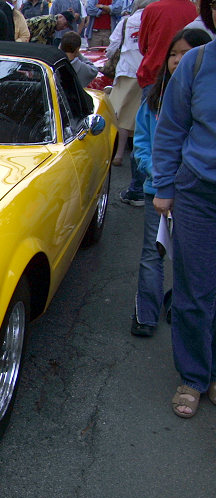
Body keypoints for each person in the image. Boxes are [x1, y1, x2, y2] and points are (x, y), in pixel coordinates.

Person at [151, 1, 216, 417]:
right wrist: (164, 186)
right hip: (198, 193)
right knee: (194, 288)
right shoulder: (196, 62)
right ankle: (194, 376)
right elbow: (172, 126)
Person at [130, 28, 212, 341]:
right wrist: (157, 174)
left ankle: (180, 305)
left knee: (192, 259)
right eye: (173, 54)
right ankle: (146, 312)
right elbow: (142, 143)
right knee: (153, 254)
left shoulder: (204, 96)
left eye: (185, 54)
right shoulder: (153, 98)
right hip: (158, 191)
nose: (178, 60)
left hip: (196, 192)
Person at [107, 0, 152, 170]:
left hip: (126, 71)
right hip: (145, 71)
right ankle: (138, 153)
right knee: (140, 115)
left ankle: (118, 154)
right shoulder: (152, 19)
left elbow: (113, 46)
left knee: (119, 114)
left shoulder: (126, 21)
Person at [135, 0, 197, 91]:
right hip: (186, 74)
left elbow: (142, 46)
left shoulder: (151, 9)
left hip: (154, 73)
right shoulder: (195, 10)